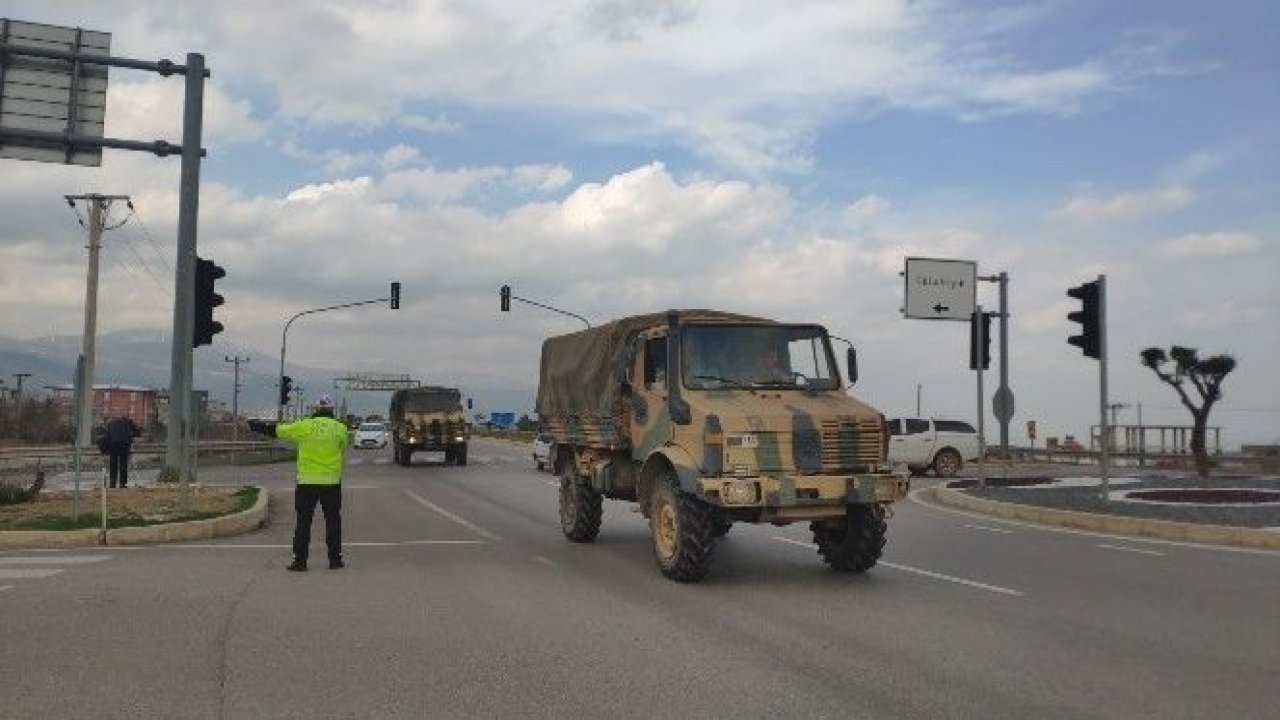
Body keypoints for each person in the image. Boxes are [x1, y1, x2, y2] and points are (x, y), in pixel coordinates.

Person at [248, 395, 350, 571]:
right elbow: (343, 448)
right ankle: (335, 560)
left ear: (316, 409)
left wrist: (255, 425)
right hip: (331, 482)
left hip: (307, 482)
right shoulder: (341, 428)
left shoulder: (304, 426)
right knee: (333, 521)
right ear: (332, 410)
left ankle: (300, 561)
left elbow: (278, 430)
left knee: (303, 522)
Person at [102, 415, 141, 488]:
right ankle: (122, 483)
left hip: (113, 445)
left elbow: (107, 435)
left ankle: (112, 483)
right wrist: (132, 435)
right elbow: (137, 433)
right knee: (123, 465)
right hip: (124, 445)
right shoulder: (129, 422)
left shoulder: (111, 423)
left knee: (113, 465)